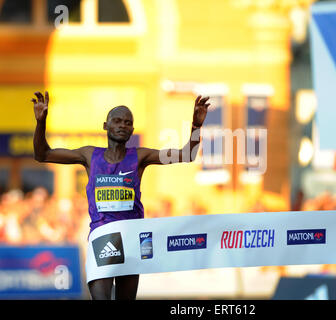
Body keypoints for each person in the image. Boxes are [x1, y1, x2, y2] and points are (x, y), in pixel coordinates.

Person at [32, 91, 210, 300]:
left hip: (133, 237)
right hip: (102, 235)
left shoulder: (141, 156)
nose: (122, 125)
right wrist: (41, 122)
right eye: (117, 121)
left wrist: (196, 127)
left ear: (132, 130)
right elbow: (42, 154)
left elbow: (187, 154)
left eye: (127, 123)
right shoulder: (90, 155)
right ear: (105, 126)